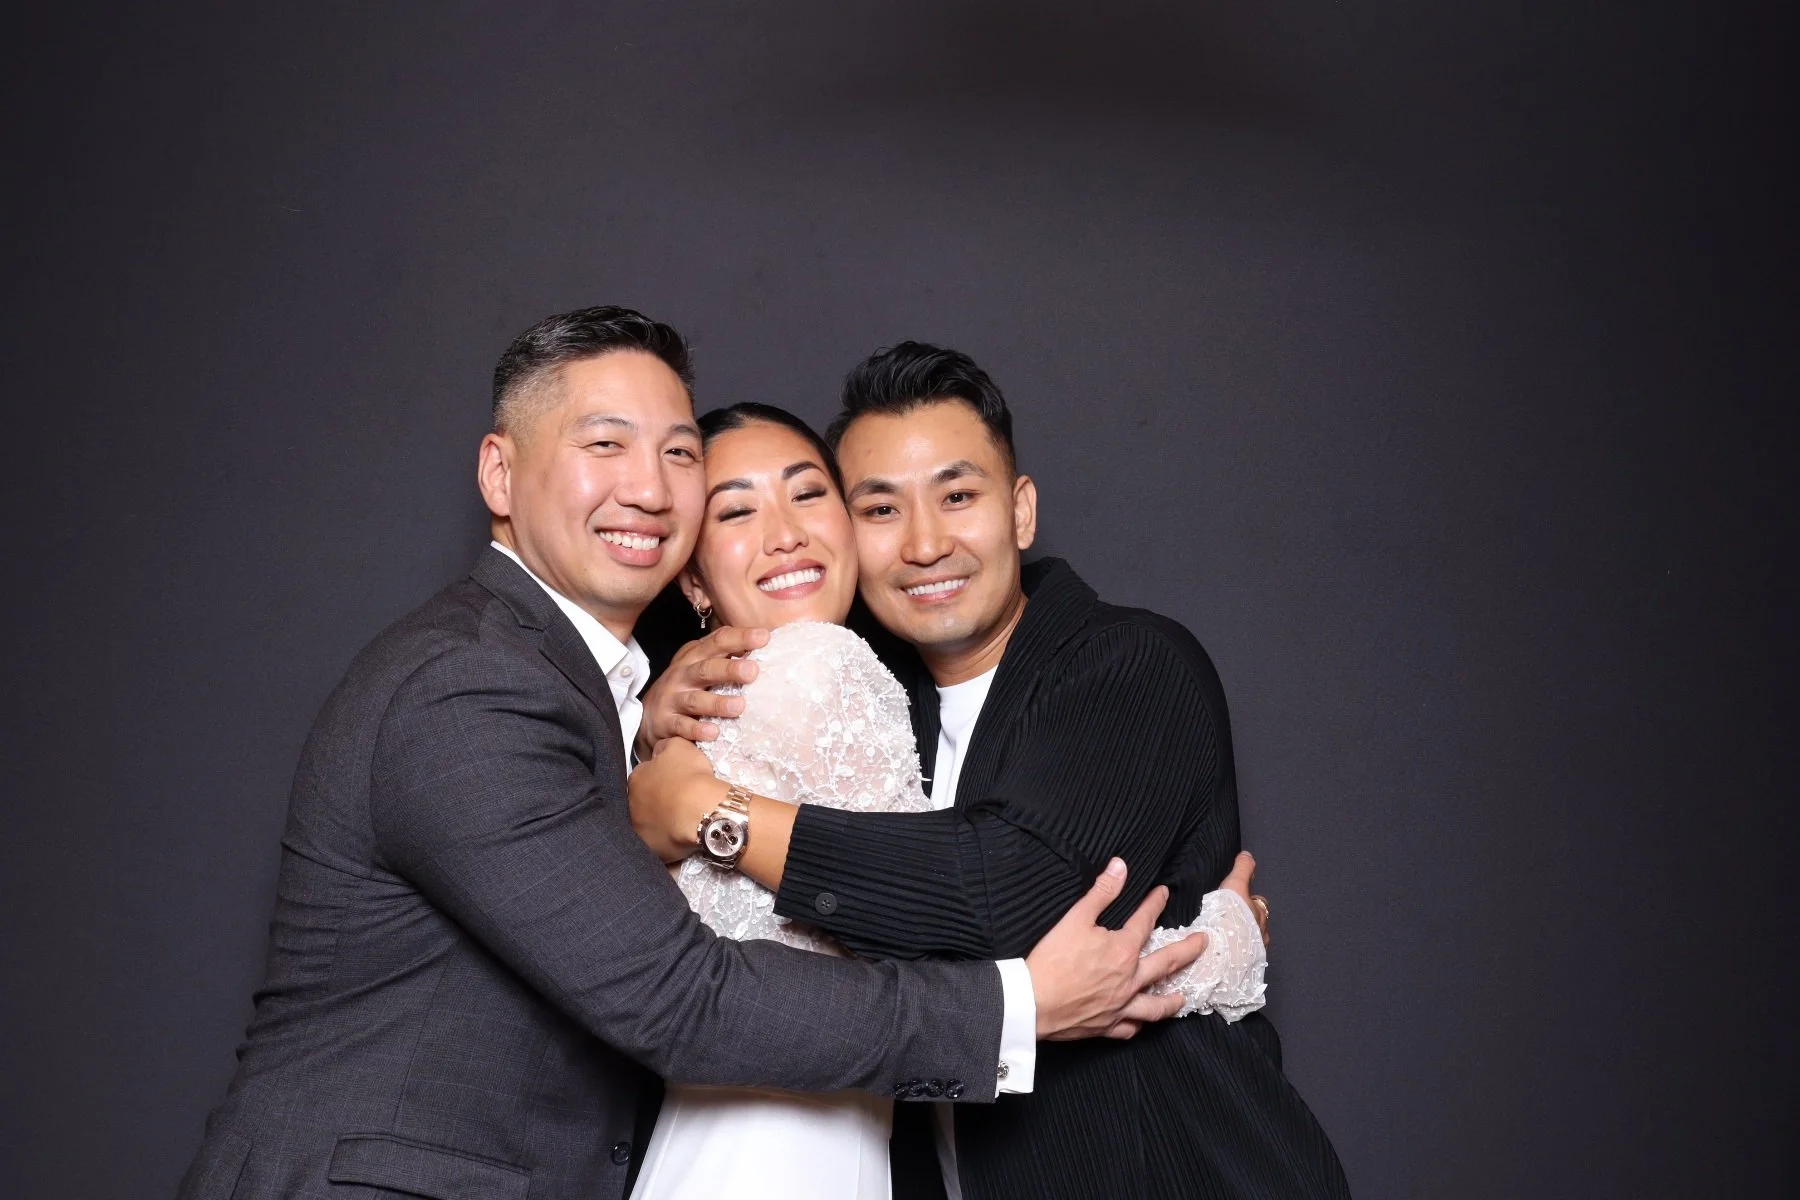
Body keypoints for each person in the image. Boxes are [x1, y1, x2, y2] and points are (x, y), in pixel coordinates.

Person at [175, 309, 1210, 1200]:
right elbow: (679, 994)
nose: (648, 488)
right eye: (605, 445)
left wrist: (1204, 930)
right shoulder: (470, 685)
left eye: (677, 455)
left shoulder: (635, 698)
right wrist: (1030, 1006)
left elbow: (961, 882)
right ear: (500, 471)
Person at [631, 343, 1354, 1199]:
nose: (926, 544)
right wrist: (655, 709)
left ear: (1020, 511)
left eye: (958, 496)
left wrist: (712, 812)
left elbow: (1001, 895)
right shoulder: (870, 697)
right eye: (881, 508)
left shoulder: (1130, 664)